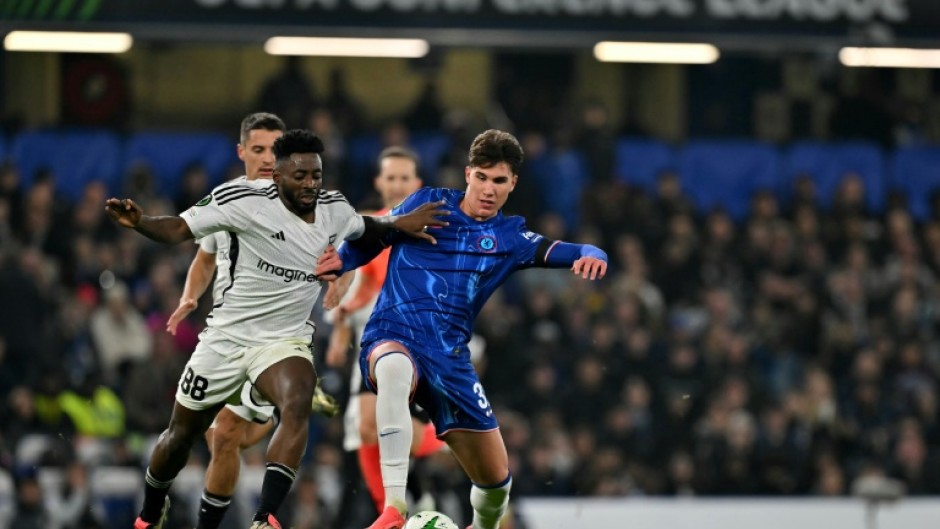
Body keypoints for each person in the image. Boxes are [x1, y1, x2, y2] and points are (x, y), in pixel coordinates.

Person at [105, 129, 449, 529]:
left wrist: (402, 223)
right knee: (181, 436)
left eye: (316, 175)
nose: (310, 185)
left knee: (297, 398)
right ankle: (151, 512)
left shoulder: (333, 207)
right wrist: (140, 222)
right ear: (277, 176)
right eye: (300, 176)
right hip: (227, 337)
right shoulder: (241, 200)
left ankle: (264, 517)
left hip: (284, 341)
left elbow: (365, 228)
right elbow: (179, 229)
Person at [315, 129, 608, 529]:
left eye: (499, 181)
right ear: (468, 174)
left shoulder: (510, 237)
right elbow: (377, 237)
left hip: (450, 359)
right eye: (482, 178)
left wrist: (592, 251)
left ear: (512, 184)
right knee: (393, 370)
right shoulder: (429, 204)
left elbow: (560, 251)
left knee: (495, 482)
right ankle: (394, 507)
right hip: (393, 332)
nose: (488, 189)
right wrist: (343, 262)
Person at [163, 112, 337, 529]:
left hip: (273, 342)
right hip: (225, 338)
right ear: (241, 151)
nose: (265, 158)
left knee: (223, 434)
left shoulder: (306, 204)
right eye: (257, 149)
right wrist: (190, 295)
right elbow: (205, 258)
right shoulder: (225, 200)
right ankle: (284, 406)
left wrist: (338, 284)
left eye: (274, 151)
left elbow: (342, 254)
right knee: (219, 437)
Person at [322, 147, 446, 517]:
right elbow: (356, 280)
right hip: (379, 340)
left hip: (425, 341)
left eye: (404, 177)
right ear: (379, 182)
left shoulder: (436, 228)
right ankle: (393, 513)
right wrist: (341, 320)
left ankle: (448, 444)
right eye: (390, 177)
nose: (397, 184)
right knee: (364, 427)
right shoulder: (367, 227)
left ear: (417, 183)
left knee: (395, 432)